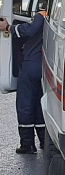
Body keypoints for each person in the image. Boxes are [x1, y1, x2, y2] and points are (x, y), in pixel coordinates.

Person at [0, 11, 47, 154]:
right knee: (40, 104)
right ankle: (44, 141)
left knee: (25, 104)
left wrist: (9, 28)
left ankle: (27, 144)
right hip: (45, 67)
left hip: (30, 65)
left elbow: (31, 29)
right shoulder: (55, 18)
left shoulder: (41, 15)